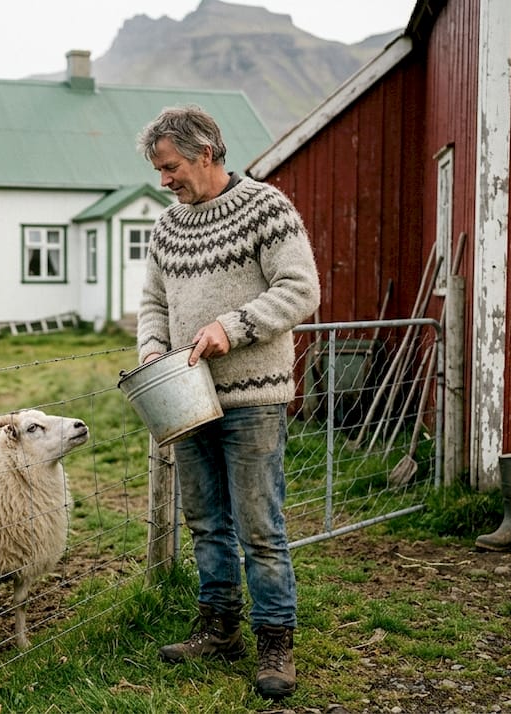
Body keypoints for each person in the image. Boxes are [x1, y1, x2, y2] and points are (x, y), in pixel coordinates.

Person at [134, 105, 320, 701]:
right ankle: (219, 630)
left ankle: (275, 640)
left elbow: (301, 289)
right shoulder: (167, 228)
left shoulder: (266, 209)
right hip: (184, 396)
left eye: (171, 167)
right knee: (206, 523)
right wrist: (153, 351)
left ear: (206, 153)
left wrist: (232, 328)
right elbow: (153, 303)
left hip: (254, 398)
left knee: (260, 527)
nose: (165, 180)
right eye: (160, 170)